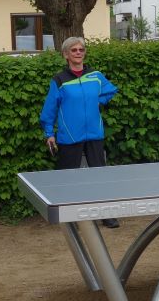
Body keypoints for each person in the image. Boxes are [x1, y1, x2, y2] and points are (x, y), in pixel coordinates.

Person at [40, 37, 120, 227]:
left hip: (95, 133)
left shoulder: (95, 75)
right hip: (69, 135)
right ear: (66, 54)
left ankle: (106, 214)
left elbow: (110, 91)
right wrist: (48, 133)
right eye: (74, 50)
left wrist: (97, 102)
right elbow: (49, 109)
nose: (78, 52)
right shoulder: (59, 80)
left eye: (81, 49)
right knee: (68, 177)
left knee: (99, 175)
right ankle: (68, 215)